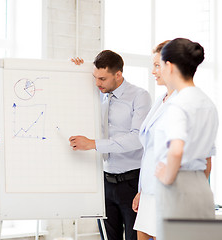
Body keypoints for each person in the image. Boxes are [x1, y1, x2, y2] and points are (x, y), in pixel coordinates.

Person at [69, 50, 152, 240]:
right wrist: (74, 68)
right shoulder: (96, 94)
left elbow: (137, 138)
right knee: (108, 237)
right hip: (104, 182)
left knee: (134, 237)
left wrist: (93, 144)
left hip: (131, 182)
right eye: (95, 78)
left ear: (118, 74)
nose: (97, 83)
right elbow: (71, 93)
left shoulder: (140, 96)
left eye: (102, 78)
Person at [153, 38, 218, 240]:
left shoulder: (178, 104)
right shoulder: (208, 103)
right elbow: (208, 160)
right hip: (202, 188)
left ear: (169, 66)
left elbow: (176, 150)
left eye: (160, 65)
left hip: (178, 187)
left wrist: (167, 177)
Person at [131, 40, 175, 240]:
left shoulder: (184, 103)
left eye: (157, 65)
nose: (153, 71)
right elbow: (149, 151)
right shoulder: (161, 100)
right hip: (149, 191)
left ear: (171, 66)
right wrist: (141, 190)